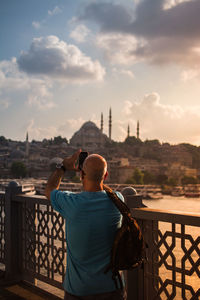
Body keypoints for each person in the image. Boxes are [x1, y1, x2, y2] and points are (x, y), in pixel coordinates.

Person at [45, 150, 126, 300]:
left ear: (81, 175)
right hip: (113, 287)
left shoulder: (71, 203)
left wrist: (63, 166)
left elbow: (50, 189)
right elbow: (104, 189)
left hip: (79, 290)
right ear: (106, 176)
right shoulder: (118, 200)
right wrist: (97, 176)